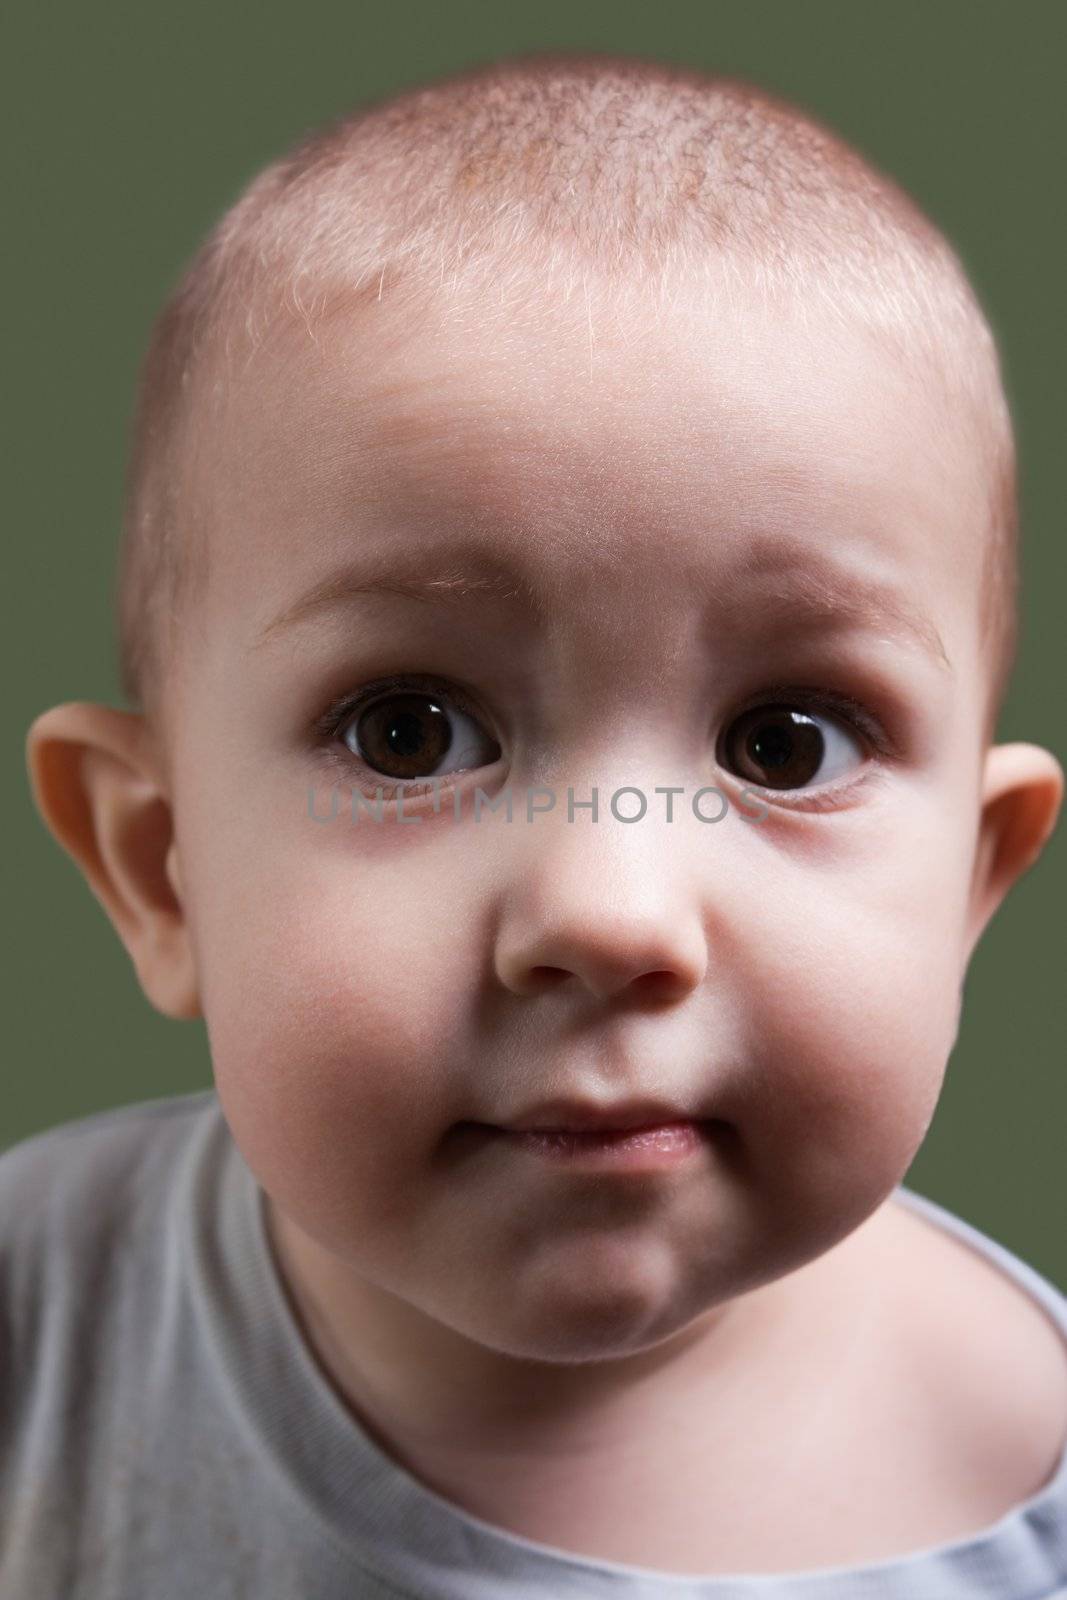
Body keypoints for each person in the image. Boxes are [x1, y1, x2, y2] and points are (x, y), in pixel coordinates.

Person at [8, 50, 1067, 1599]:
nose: (612, 911)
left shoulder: (1026, 1492)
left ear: (972, 884)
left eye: (785, 744)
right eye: (409, 730)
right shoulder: (46, 1303)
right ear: (159, 868)